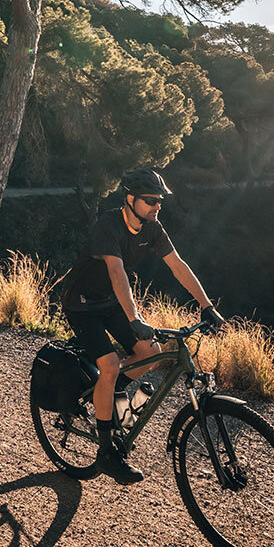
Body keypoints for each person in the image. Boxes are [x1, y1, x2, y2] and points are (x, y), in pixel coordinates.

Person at [60, 169, 225, 484]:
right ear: (130, 200)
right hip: (81, 304)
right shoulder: (107, 226)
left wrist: (207, 305)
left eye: (160, 201)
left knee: (149, 351)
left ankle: (107, 393)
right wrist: (135, 317)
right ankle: (107, 453)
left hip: (109, 302)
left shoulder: (153, 229)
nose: (157, 206)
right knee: (108, 364)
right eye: (151, 201)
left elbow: (177, 265)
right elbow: (117, 272)